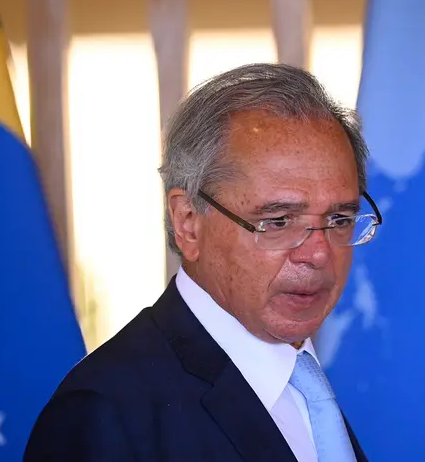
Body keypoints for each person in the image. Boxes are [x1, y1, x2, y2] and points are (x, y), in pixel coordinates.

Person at [23, 63, 382, 462]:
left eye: (339, 220)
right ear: (188, 223)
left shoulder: (306, 383)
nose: (318, 254)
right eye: (278, 221)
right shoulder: (105, 414)